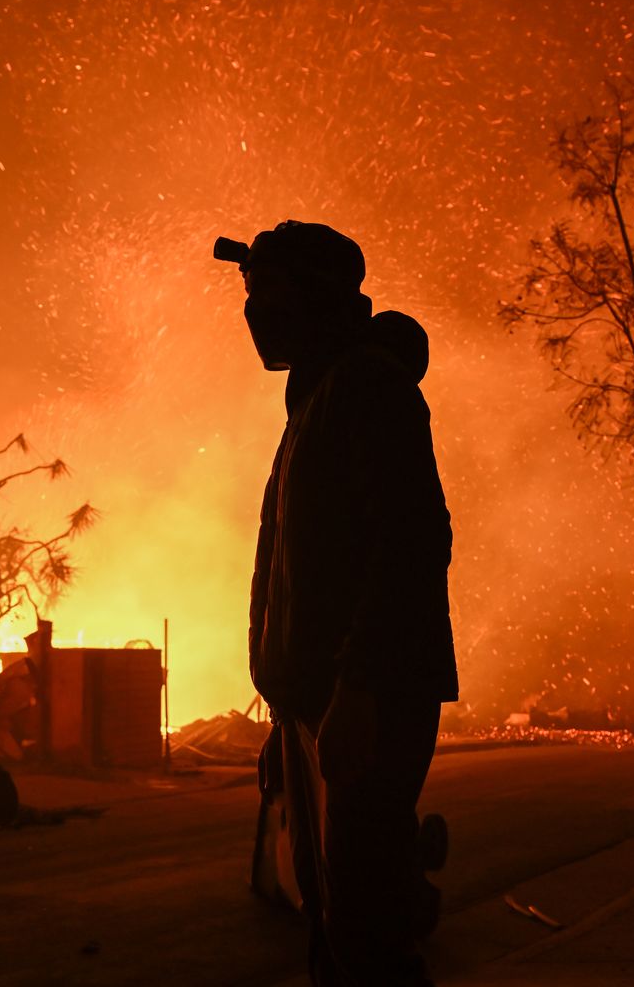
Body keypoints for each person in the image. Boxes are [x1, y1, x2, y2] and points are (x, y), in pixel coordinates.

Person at [239, 221, 457, 985]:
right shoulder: (318, 399)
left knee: (365, 934)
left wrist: (360, 689)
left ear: (319, 297)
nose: (253, 312)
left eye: (268, 291)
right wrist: (284, 710)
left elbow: (410, 543)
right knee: (333, 923)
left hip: (360, 698)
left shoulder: (366, 387)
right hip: (318, 702)